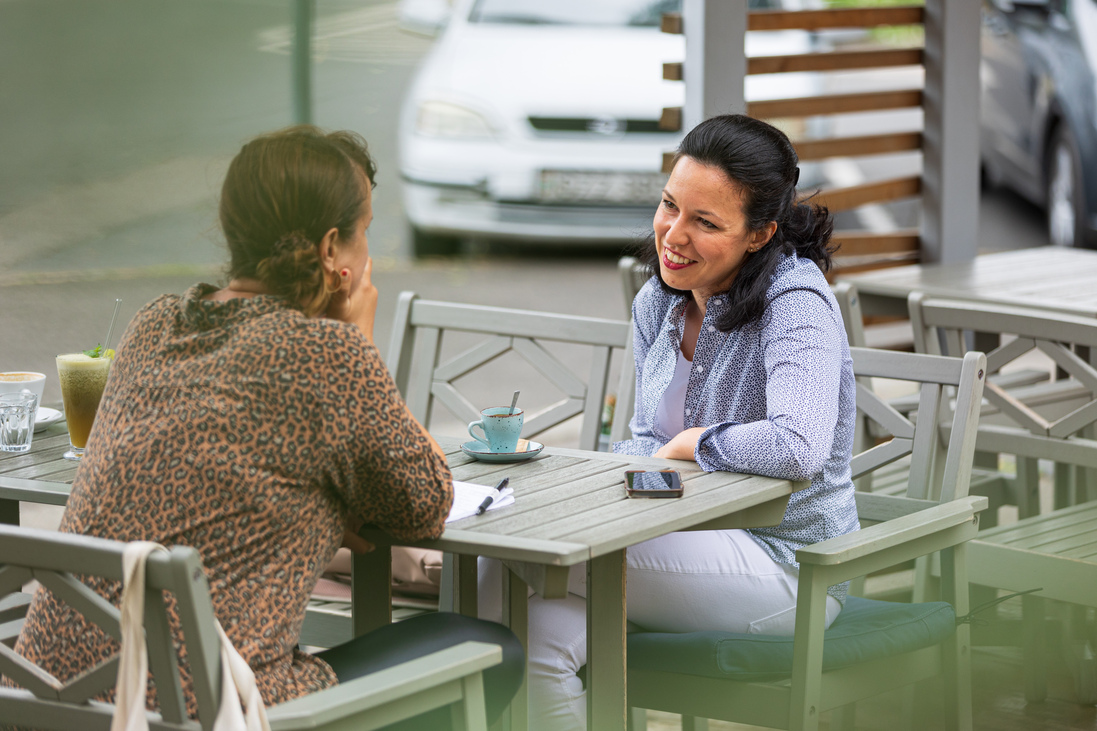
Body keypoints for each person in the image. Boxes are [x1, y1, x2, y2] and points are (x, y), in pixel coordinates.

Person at [9, 126, 523, 728]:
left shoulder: (153, 326)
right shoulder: (328, 356)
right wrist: (358, 337)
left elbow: (208, 475)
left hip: (45, 700)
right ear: (333, 251)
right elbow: (425, 504)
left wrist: (321, 506)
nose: (368, 255)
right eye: (364, 233)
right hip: (200, 711)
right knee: (491, 650)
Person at [482, 113, 860, 730]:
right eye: (669, 206)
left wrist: (694, 443)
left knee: (520, 557)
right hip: (684, 538)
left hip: (789, 566)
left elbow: (800, 445)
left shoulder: (797, 302)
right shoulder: (658, 299)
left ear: (759, 234)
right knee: (537, 636)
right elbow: (643, 442)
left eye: (705, 222)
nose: (672, 236)